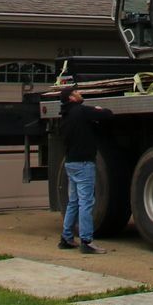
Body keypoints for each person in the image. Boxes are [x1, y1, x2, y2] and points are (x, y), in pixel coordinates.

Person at [58, 83, 113, 253]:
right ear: (71, 98)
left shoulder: (65, 116)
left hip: (71, 163)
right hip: (83, 164)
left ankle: (66, 238)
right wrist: (98, 109)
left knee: (73, 202)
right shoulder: (81, 111)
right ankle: (87, 241)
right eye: (76, 91)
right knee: (86, 202)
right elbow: (107, 115)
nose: (79, 93)